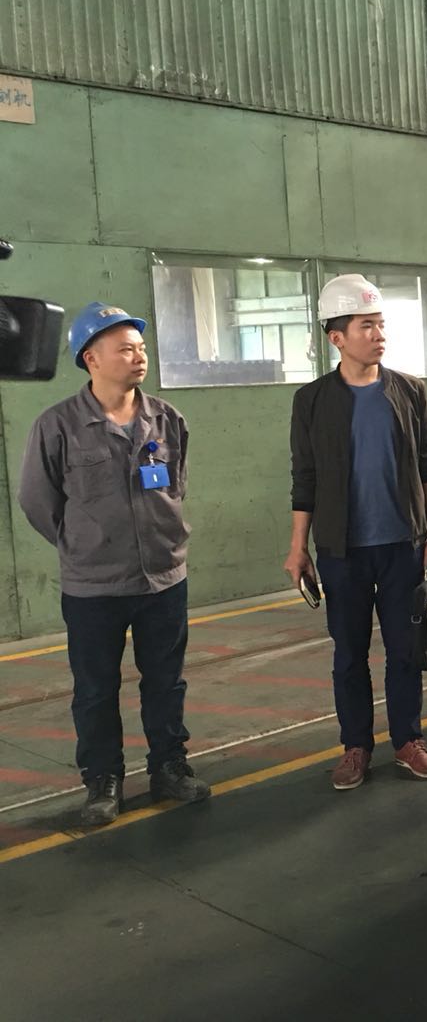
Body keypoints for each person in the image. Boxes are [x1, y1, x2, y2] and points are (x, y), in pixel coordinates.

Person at [19, 302, 211, 826]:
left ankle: (169, 765)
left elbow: (175, 484)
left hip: (163, 578)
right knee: (96, 689)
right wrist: (82, 544)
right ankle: (103, 779)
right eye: (125, 349)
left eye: (141, 348)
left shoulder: (166, 418)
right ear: (91, 358)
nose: (139, 356)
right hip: (93, 587)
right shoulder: (58, 425)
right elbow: (38, 501)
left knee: (166, 681)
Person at [286, 274, 427, 791]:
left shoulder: (409, 391)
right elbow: (305, 476)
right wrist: (298, 548)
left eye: (381, 324)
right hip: (342, 550)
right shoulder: (312, 400)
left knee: (405, 650)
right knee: (349, 653)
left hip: (403, 544)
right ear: (337, 337)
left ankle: (408, 740)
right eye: (366, 326)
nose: (379, 335)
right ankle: (355, 746)